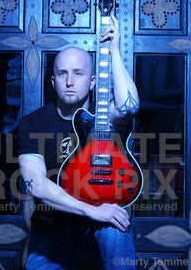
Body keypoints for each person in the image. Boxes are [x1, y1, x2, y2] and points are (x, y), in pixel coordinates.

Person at [17, 14, 140, 270]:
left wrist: (114, 52)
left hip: (104, 223)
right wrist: (91, 209)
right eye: (62, 74)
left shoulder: (104, 120)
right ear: (53, 81)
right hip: (53, 227)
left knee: (116, 233)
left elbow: (129, 107)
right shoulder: (33, 124)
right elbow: (35, 184)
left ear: (93, 81)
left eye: (79, 73)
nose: (70, 82)